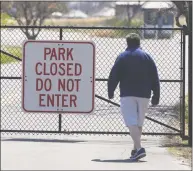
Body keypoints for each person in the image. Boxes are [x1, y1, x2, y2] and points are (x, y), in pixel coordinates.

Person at [107, 33, 160, 161]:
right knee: (138, 123)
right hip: (144, 94)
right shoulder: (147, 57)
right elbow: (155, 77)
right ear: (139, 43)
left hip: (128, 94)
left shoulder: (122, 57)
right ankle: (136, 149)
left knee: (131, 122)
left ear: (127, 43)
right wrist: (156, 95)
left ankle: (140, 148)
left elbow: (114, 76)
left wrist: (111, 91)